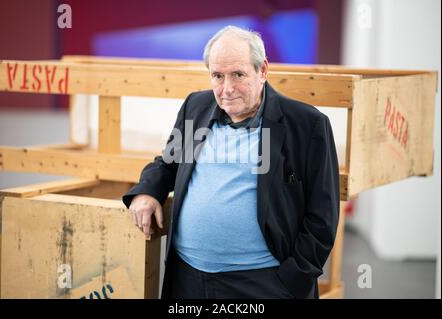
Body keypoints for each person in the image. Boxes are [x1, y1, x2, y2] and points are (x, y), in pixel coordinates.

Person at [122, 25, 340, 299]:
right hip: (187, 278)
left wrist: (292, 278)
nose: (227, 89)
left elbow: (323, 216)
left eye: (238, 74)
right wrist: (146, 191)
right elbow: (168, 162)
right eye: (217, 76)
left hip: (263, 284)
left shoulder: (307, 125)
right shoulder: (196, 107)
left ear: (262, 71)